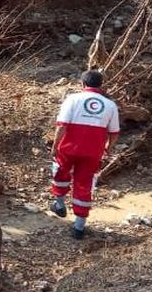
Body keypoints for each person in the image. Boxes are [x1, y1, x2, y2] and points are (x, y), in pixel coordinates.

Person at [49, 70, 120, 240]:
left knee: (61, 174)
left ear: (82, 84)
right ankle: (79, 227)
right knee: (85, 184)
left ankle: (59, 204)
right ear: (101, 85)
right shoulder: (110, 105)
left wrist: (55, 146)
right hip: (93, 152)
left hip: (69, 148)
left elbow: (62, 126)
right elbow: (114, 132)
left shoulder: (72, 99)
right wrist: (108, 148)